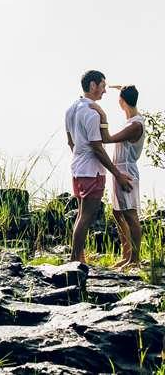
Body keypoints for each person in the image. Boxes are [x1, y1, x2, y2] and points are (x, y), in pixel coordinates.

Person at [65, 70, 133, 263]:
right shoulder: (93, 113)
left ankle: (79, 258)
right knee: (86, 217)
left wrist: (80, 160)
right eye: (103, 86)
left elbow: (71, 142)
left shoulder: (71, 109)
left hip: (77, 169)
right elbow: (97, 147)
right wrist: (117, 174)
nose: (104, 91)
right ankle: (74, 260)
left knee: (81, 215)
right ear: (93, 85)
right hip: (92, 171)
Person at [91, 85, 144, 269]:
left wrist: (102, 115)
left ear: (122, 102)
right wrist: (121, 87)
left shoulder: (135, 125)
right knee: (117, 212)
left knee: (130, 214)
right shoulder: (131, 119)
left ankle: (135, 259)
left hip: (126, 172)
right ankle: (126, 253)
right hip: (119, 170)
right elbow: (128, 93)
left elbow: (107, 138)